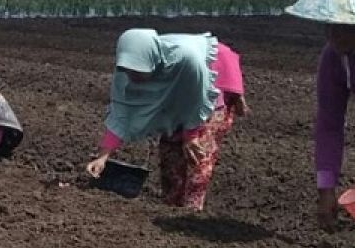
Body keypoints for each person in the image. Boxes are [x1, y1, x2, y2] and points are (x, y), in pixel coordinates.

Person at [85, 28, 247, 211]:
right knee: (170, 152)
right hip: (176, 96)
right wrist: (102, 157)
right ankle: (170, 207)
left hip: (208, 86)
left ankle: (190, 212)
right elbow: (120, 111)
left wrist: (191, 134)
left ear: (152, 61)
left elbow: (196, 97)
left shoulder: (187, 59)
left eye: (138, 71)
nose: (132, 76)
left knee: (198, 154)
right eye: (129, 70)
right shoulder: (125, 73)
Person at [284, 0, 355, 230]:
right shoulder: (335, 57)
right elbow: (330, 125)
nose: (332, 33)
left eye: (344, 25)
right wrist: (326, 188)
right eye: (328, 24)